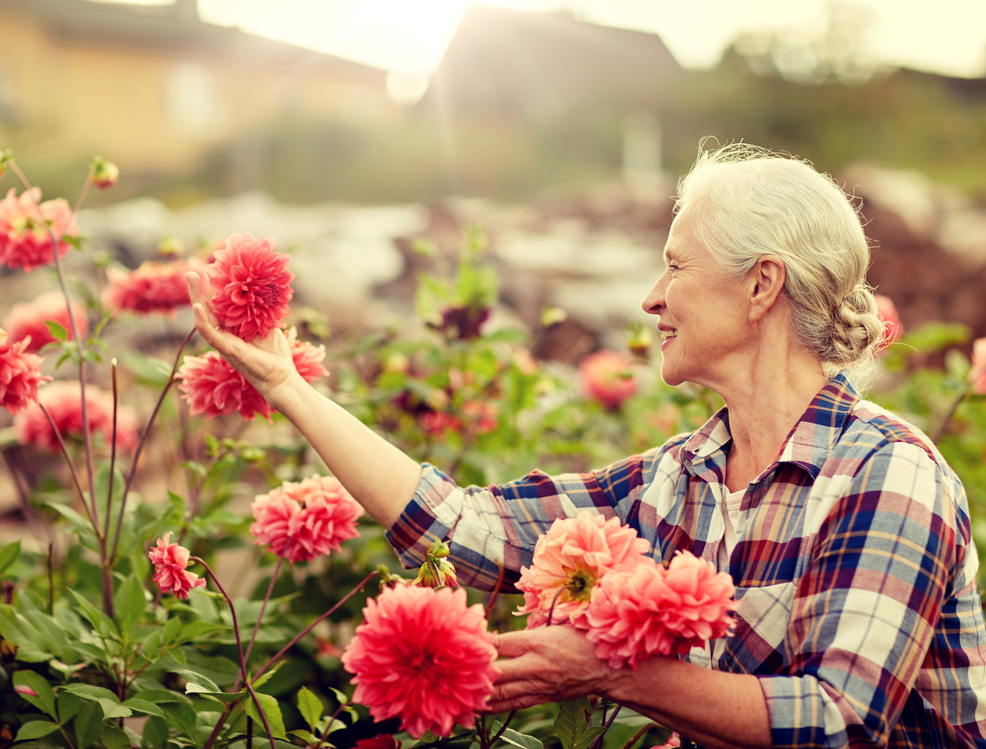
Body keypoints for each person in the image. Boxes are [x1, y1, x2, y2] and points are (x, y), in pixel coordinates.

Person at [186, 142, 986, 749]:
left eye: (675, 266)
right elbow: (467, 528)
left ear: (761, 285)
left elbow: (840, 723)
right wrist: (287, 384)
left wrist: (613, 669)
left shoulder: (888, 472)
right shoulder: (681, 477)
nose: (651, 297)